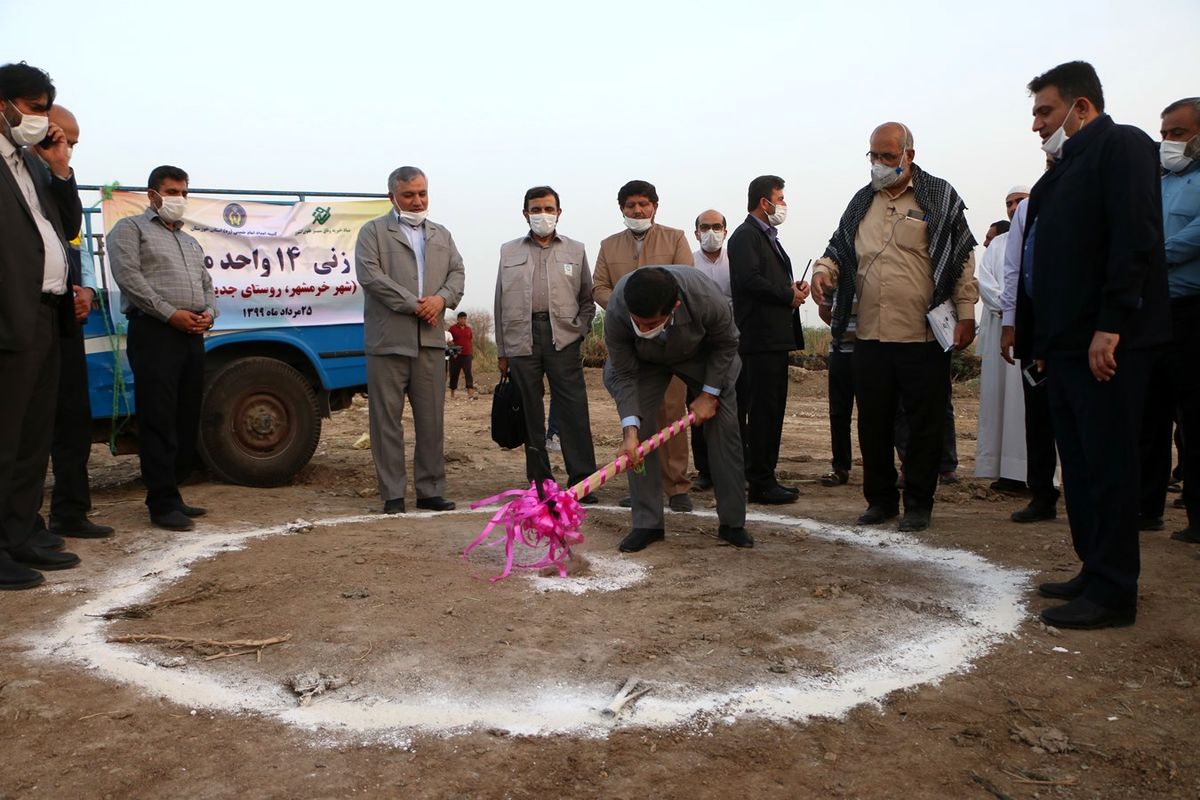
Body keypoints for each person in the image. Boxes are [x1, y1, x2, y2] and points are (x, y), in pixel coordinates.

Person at [1015, 61, 1169, 629]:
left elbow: (1135, 236)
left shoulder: (1122, 147)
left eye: (1045, 111)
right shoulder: (1060, 172)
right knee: (1077, 465)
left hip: (1107, 343)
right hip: (1063, 346)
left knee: (1108, 464)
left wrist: (1112, 322)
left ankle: (1114, 591)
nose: (1036, 124)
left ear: (1082, 107)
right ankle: (1093, 567)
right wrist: (1037, 340)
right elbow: (1040, 263)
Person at [812, 123, 978, 532]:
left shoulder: (939, 197)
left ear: (909, 155)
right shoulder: (860, 202)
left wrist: (967, 312)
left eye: (888, 156)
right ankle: (881, 500)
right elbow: (838, 248)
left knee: (924, 425)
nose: (880, 164)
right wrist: (823, 271)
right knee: (873, 422)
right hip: (868, 336)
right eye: (874, 156)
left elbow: (960, 258)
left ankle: (919, 503)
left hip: (921, 337)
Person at [0, 62, 83, 588]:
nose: (41, 122)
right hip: (11, 313)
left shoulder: (29, 165)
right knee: (5, 437)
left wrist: (58, 168)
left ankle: (18, 535)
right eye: (33, 110)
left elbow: (68, 227)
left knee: (33, 437)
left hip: (46, 315)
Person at [603, 266, 750, 551]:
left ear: (675, 307)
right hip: (643, 364)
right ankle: (647, 524)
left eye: (652, 323)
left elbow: (727, 342)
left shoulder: (703, 296)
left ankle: (733, 523)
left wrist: (709, 393)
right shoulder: (618, 306)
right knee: (639, 440)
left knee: (725, 430)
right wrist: (629, 431)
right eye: (639, 323)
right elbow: (623, 373)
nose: (644, 330)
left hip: (701, 355)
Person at [108, 165, 213, 532]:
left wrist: (208, 313)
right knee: (158, 417)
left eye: (183, 192)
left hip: (192, 334)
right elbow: (130, 279)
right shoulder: (129, 230)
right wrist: (171, 315)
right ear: (152, 194)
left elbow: (206, 282)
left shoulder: (189, 240)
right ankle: (161, 502)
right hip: (155, 332)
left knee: (186, 416)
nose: (178, 200)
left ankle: (175, 493)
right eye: (171, 192)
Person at [355, 166, 464, 514]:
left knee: (431, 420)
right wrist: (415, 305)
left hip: (430, 342)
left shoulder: (442, 235)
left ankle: (430, 490)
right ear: (392, 197)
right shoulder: (372, 232)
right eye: (409, 195)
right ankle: (393, 494)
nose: (417, 201)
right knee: (386, 420)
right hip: (388, 341)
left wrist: (441, 299)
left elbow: (457, 273)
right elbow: (370, 275)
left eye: (422, 193)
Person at [592, 179, 695, 512]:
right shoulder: (609, 246)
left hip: (669, 341)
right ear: (622, 209)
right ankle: (643, 485)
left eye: (643, 204)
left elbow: (684, 279)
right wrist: (628, 312)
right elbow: (599, 288)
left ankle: (677, 485)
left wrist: (655, 312)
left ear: (655, 206)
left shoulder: (675, 238)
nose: (637, 210)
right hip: (629, 343)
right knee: (636, 416)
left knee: (672, 412)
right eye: (630, 205)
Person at [494, 185, 598, 502]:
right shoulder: (508, 251)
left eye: (549, 209)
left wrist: (577, 331)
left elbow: (588, 299)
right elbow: (500, 302)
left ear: (559, 213)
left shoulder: (575, 250)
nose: (543, 215)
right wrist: (502, 350)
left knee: (573, 409)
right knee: (530, 411)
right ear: (525, 213)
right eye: (536, 209)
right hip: (521, 339)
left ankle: (582, 478)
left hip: (562, 339)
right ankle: (540, 481)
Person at [38, 105, 113, 542]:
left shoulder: (58, 179)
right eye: (61, 139)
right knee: (27, 424)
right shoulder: (17, 178)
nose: (67, 149)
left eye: (72, 144)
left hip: (66, 316)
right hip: (26, 316)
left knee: (73, 418)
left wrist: (84, 287)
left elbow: (73, 238)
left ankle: (70, 512)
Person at [729, 175, 809, 505]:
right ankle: (760, 481)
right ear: (765, 202)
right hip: (759, 338)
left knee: (771, 410)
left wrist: (793, 290)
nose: (784, 204)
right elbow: (749, 281)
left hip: (774, 337)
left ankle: (764, 475)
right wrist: (786, 295)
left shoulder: (768, 237)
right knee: (763, 411)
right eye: (781, 197)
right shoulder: (745, 236)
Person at [1146, 97, 1200, 544]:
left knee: (1194, 418)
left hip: (1191, 313)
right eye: (1163, 133)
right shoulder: (1156, 183)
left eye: (1177, 133)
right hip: (1151, 312)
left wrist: (1148, 259)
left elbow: (1192, 237)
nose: (1167, 142)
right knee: (1148, 414)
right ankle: (1147, 509)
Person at [1001, 182, 1061, 522]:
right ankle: (1042, 494)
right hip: (1037, 324)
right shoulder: (1031, 207)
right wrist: (1011, 323)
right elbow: (1014, 269)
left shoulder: (1091, 192)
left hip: (1081, 324)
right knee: (1038, 415)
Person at [976, 188, 1031, 492]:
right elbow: (986, 282)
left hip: (1032, 330)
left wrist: (1022, 312)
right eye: (1008, 203)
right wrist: (1008, 308)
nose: (1013, 207)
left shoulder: (1044, 234)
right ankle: (1004, 471)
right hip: (1001, 329)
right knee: (998, 401)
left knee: (1026, 404)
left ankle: (1031, 471)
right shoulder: (997, 244)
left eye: (1019, 201)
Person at [689, 209, 731, 491]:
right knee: (697, 407)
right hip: (698, 345)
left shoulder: (736, 261)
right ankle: (705, 470)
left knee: (732, 409)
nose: (711, 232)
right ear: (696, 232)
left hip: (731, 343)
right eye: (705, 227)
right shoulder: (688, 262)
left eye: (717, 227)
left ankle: (730, 467)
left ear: (725, 231)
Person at [818, 300, 854, 487]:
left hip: (873, 350)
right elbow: (824, 310)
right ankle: (840, 467)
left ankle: (877, 469)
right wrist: (842, 328)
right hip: (841, 350)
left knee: (876, 415)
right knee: (839, 412)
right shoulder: (837, 270)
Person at [447, 311, 475, 400]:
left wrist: (471, 353)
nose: (463, 320)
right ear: (458, 319)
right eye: (462, 318)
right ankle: (452, 393)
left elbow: (470, 341)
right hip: (455, 355)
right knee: (454, 373)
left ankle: (470, 393)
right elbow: (449, 341)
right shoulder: (452, 329)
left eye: (465, 318)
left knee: (468, 373)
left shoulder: (469, 329)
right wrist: (453, 352)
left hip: (467, 355)